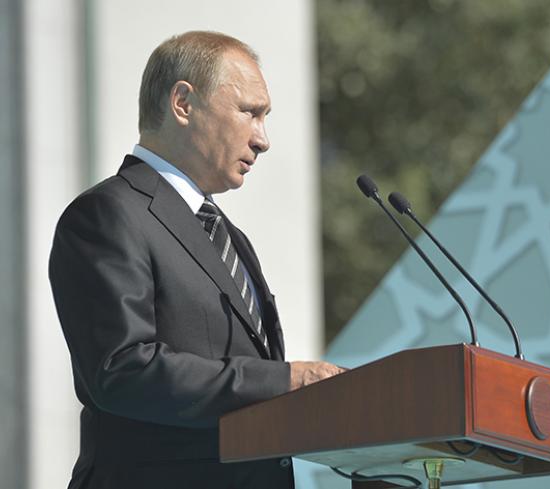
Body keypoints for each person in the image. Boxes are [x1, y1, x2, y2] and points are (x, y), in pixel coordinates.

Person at [49, 31, 343, 489]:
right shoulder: (107, 214)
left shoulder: (231, 237)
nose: (263, 139)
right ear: (183, 103)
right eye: (251, 112)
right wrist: (285, 380)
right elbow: (123, 370)